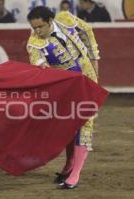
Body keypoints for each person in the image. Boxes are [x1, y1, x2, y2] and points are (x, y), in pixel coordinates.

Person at [27, 6, 99, 189]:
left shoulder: (65, 18)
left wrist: (94, 59)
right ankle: (69, 164)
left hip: (88, 75)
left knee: (85, 121)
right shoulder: (34, 43)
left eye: (40, 27)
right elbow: (41, 68)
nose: (37, 31)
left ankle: (74, 175)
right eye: (34, 28)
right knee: (70, 124)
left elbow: (87, 30)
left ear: (51, 20)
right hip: (66, 86)